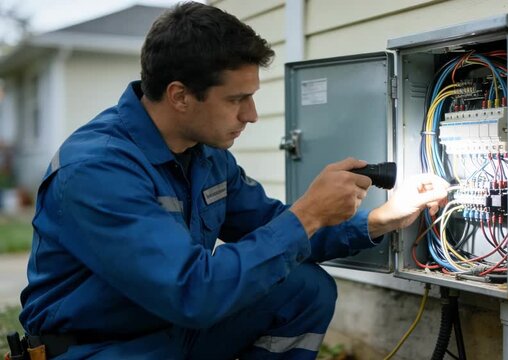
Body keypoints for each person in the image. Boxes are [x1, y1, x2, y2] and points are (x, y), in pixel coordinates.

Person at [18, 2, 449, 359]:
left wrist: (381, 219)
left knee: (304, 288)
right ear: (180, 96)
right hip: (101, 349)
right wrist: (307, 213)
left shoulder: (204, 155)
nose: (252, 115)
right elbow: (191, 292)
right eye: (237, 99)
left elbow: (275, 231)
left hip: (174, 332)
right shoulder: (96, 170)